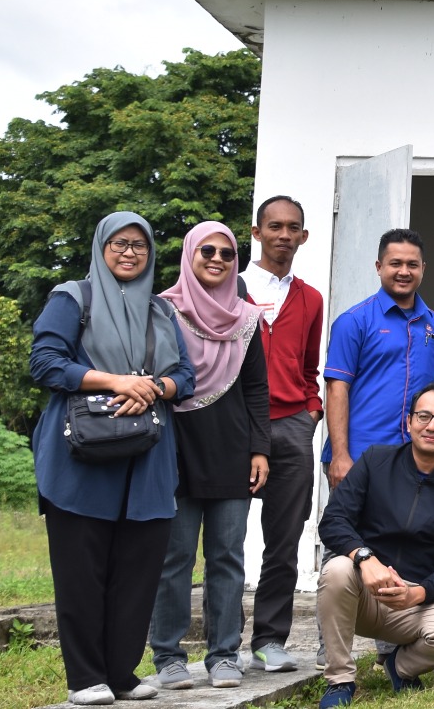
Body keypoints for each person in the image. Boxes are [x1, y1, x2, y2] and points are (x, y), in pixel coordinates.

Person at [29, 212, 195, 706]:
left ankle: (121, 672)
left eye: (140, 246)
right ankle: (85, 677)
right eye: (120, 243)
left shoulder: (162, 311)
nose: (129, 253)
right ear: (102, 246)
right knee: (83, 570)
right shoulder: (72, 297)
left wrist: (155, 387)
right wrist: (117, 380)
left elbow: (185, 376)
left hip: (147, 455)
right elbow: (46, 361)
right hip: (81, 454)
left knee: (139, 568)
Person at [148, 222, 271, 691]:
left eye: (226, 252)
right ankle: (168, 657)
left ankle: (224, 655)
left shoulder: (246, 320)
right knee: (174, 556)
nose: (217, 259)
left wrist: (260, 449)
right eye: (207, 251)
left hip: (231, 451)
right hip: (172, 449)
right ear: (189, 255)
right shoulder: (163, 309)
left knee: (226, 556)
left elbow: (257, 389)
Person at [314, 384, 434, 708]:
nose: (432, 426)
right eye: (424, 416)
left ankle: (400, 667)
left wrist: (418, 593)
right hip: (363, 595)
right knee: (336, 569)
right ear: (409, 422)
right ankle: (340, 681)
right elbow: (333, 520)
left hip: (416, 603)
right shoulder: (376, 461)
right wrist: (365, 558)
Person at [241, 195, 325, 673]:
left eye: (293, 227)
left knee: (284, 540)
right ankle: (221, 642)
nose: (284, 235)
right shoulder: (230, 290)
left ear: (304, 236)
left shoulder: (310, 298)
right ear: (257, 232)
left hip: (292, 427)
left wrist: (310, 412)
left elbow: (310, 365)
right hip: (236, 428)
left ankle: (269, 641)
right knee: (226, 538)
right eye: (274, 226)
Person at [323, 229, 434, 488]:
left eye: (412, 265)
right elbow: (337, 389)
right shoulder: (353, 322)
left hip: (417, 460)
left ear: (423, 269)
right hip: (359, 457)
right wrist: (340, 456)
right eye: (395, 263)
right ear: (379, 267)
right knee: (351, 530)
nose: (404, 271)